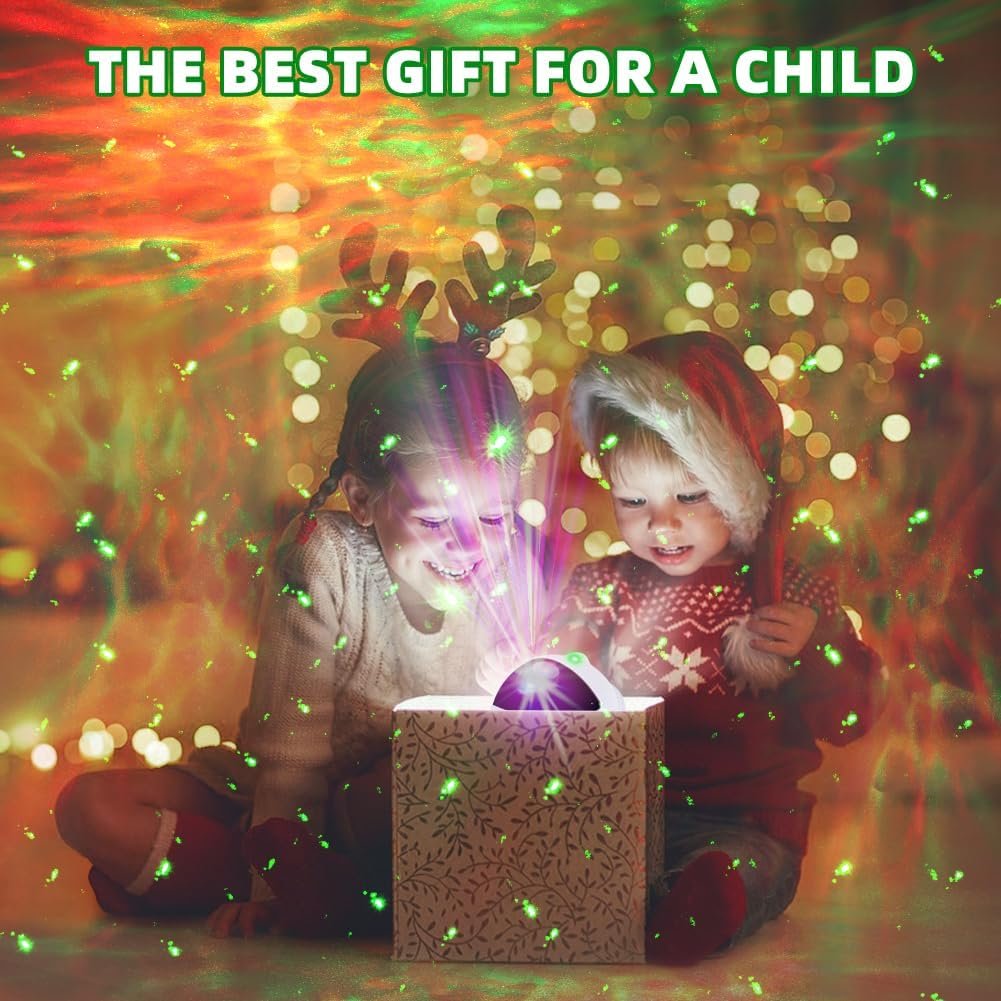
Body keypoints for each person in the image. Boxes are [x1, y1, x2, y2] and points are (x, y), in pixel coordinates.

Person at [54, 206, 554, 938]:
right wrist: (274, 874)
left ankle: (214, 877)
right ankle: (270, 875)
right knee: (84, 807)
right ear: (362, 496)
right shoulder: (322, 552)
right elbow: (289, 751)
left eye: (490, 516)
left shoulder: (511, 567)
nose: (470, 545)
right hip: (287, 790)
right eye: (435, 518)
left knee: (431, 781)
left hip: (403, 801)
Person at [542, 331, 883, 964]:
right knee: (537, 850)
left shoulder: (785, 591)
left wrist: (817, 651)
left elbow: (849, 718)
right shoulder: (605, 585)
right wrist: (538, 671)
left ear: (736, 484)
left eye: (690, 497)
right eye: (633, 501)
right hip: (618, 813)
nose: (661, 523)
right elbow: (556, 674)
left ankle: (702, 904)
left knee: (741, 870)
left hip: (745, 824)